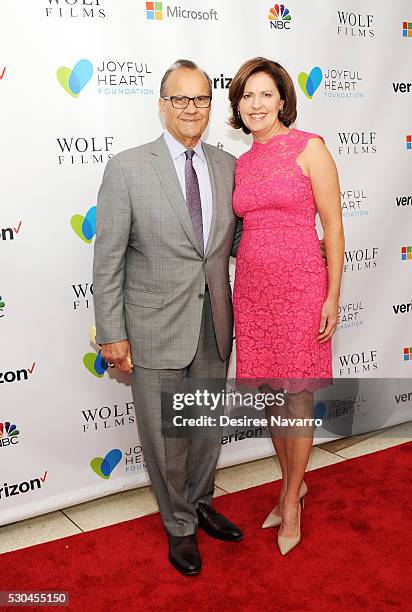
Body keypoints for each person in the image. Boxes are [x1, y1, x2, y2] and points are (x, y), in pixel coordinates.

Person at [93, 59, 243, 576]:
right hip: (153, 326)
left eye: (200, 98)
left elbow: (236, 242)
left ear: (210, 105)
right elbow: (108, 258)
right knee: (165, 437)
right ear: (161, 105)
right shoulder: (128, 167)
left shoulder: (227, 166)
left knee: (205, 428)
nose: (190, 108)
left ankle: (200, 503)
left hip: (214, 323)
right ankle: (178, 524)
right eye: (179, 99)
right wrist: (111, 331)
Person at [228, 57, 344, 555]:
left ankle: (291, 501)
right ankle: (292, 482)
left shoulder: (309, 148)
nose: (255, 104)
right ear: (237, 106)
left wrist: (333, 295)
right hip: (253, 290)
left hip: (301, 287)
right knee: (274, 395)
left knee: (297, 399)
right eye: (246, 96)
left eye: (264, 94)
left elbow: (334, 227)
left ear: (282, 100)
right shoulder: (241, 163)